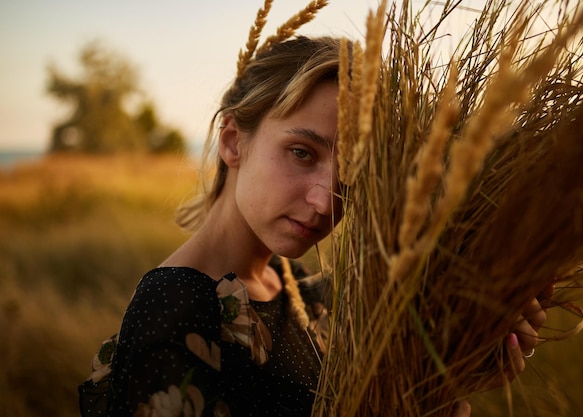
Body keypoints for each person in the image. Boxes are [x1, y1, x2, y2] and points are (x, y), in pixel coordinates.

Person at [78, 35, 547, 417]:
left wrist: (460, 367)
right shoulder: (174, 310)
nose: (326, 201)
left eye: (352, 173)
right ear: (233, 141)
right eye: (302, 153)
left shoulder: (291, 283)